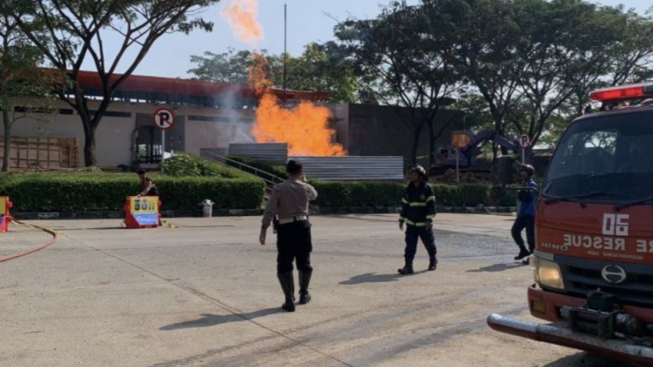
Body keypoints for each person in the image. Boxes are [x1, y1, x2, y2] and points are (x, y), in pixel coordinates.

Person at [260, 160, 318, 312]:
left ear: (286, 171)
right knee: (304, 260)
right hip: (303, 226)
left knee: (285, 262)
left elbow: (270, 209)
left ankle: (289, 300)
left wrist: (264, 228)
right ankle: (304, 294)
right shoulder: (306, 187)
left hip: (286, 227)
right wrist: (304, 180)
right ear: (300, 172)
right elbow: (314, 196)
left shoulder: (279, 188)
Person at [398, 165, 438, 275]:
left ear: (420, 176)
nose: (412, 176)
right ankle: (408, 266)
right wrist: (401, 220)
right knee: (410, 246)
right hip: (411, 224)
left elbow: (432, 206)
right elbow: (405, 206)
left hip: (424, 224)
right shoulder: (408, 189)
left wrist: (429, 220)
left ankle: (433, 260)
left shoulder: (427, 189)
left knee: (429, 244)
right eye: (411, 174)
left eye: (414, 174)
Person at [513, 164, 538, 264]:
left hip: (530, 215)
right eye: (521, 171)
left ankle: (532, 256)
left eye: (525, 171)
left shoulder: (532, 185)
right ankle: (523, 250)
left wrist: (522, 193)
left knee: (530, 238)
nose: (522, 173)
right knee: (514, 231)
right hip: (522, 214)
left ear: (529, 173)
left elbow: (526, 197)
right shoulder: (524, 184)